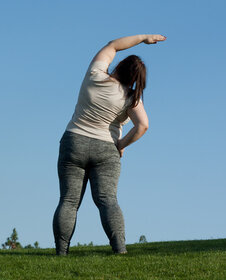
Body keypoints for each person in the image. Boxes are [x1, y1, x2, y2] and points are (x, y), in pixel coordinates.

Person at [52, 33, 166, 255]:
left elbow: (112, 46)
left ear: (120, 65)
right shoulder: (131, 97)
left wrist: (144, 37)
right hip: (106, 149)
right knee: (107, 201)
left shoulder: (95, 75)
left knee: (69, 200)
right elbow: (143, 126)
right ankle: (119, 250)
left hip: (73, 141)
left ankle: (61, 252)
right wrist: (121, 144)